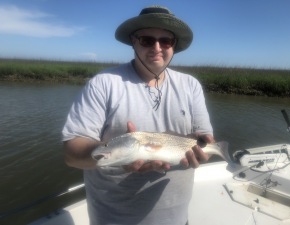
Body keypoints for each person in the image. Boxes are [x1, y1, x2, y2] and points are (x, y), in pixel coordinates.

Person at [62, 5, 214, 225]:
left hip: (178, 218)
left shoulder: (191, 85)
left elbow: (203, 138)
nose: (157, 47)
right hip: (115, 218)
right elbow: (71, 153)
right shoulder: (103, 84)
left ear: (174, 46)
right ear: (133, 41)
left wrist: (204, 148)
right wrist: (117, 153)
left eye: (166, 41)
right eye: (147, 40)